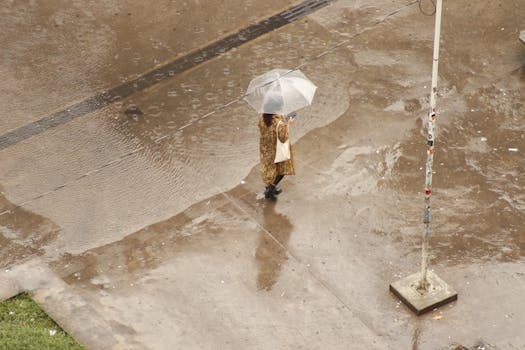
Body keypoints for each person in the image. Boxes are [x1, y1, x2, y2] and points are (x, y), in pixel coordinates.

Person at [258, 112, 295, 199]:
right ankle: (271, 188)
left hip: (265, 147)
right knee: (282, 169)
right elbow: (283, 137)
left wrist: (282, 119)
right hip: (276, 149)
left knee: (269, 169)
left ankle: (269, 188)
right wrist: (288, 123)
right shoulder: (279, 123)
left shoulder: (262, 117)